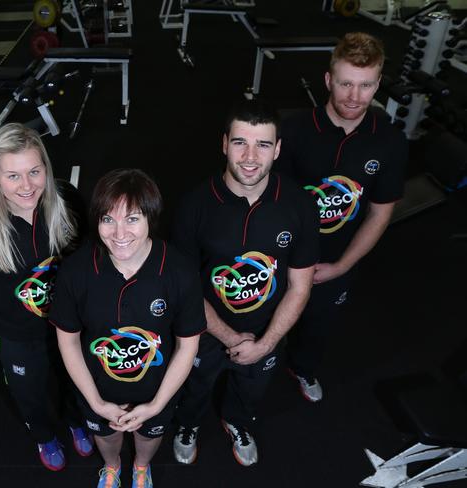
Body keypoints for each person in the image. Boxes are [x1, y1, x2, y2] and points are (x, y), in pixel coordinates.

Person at [171, 99, 319, 467]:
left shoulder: (299, 205)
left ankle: (236, 422)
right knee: (194, 388)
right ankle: (187, 425)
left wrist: (266, 342)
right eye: (240, 142)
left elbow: (300, 286)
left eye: (263, 144)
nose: (250, 156)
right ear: (224, 144)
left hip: (266, 330)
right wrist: (231, 338)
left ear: (278, 149)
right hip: (203, 331)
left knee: (250, 391)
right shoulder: (193, 206)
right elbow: (184, 289)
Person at [49, 169, 206, 488]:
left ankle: (140, 467)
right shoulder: (75, 271)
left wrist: (156, 404)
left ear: (151, 218)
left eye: (132, 219)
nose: (119, 233)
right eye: (108, 219)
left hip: (156, 390)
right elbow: (68, 341)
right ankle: (112, 467)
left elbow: (188, 345)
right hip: (97, 389)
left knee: (149, 437)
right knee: (105, 436)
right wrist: (95, 402)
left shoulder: (180, 272)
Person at [0, 123, 94, 471]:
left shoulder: (68, 204)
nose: (27, 185)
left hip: (71, 326)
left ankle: (76, 421)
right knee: (28, 393)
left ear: (46, 167)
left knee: (76, 383)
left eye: (34, 171)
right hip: (18, 335)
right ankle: (45, 436)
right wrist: (7, 309)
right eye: (13, 176)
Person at [275, 32, 407, 402]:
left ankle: (301, 368)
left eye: (365, 86)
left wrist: (342, 265)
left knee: (317, 326)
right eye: (346, 83)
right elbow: (271, 202)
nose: (354, 96)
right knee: (264, 326)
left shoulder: (390, 140)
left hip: (336, 260)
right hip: (283, 256)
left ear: (378, 84)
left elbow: (380, 213)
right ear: (328, 80)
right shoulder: (293, 130)